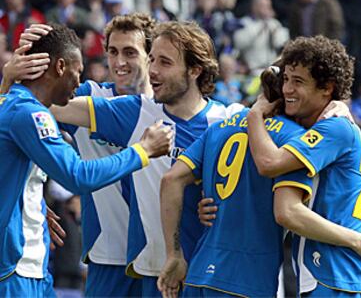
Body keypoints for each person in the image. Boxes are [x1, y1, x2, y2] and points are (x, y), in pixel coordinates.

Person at [47, 21, 244, 297]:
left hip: (207, 273)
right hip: (153, 270)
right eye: (152, 59)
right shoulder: (136, 112)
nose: (153, 70)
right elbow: (44, 107)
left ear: (195, 70)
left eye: (164, 62)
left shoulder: (227, 120)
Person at [157, 65, 361, 297]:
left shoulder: (219, 129)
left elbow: (171, 180)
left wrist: (174, 253)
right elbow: (287, 211)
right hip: (248, 279)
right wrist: (356, 240)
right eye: (288, 80)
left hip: (200, 270)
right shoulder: (293, 139)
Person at [0, 23, 173, 297]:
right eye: (112, 52)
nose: (119, 62)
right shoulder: (87, 99)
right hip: (105, 254)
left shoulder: (177, 109)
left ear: (150, 58)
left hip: (159, 255)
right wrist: (9, 80)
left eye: (129, 52)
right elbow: (76, 173)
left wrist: (27, 197)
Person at [247, 35, 361, 296]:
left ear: (327, 88)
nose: (287, 90)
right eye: (285, 79)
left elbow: (268, 163)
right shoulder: (314, 128)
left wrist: (254, 114)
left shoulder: (335, 128)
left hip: (339, 275)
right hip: (327, 274)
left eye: (298, 81)